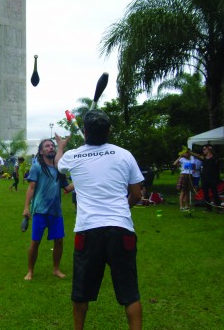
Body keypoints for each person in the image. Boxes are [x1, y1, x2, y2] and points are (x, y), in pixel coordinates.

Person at [55, 109, 143, 330]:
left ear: (85, 132)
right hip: (121, 229)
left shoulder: (73, 156)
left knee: (81, 293)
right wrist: (123, 209)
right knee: (130, 292)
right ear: (109, 131)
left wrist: (61, 147)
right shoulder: (125, 154)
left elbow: (58, 164)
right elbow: (137, 195)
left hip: (88, 231)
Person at [22, 139, 72, 281]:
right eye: (47, 146)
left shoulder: (58, 169)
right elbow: (31, 188)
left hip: (56, 211)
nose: (51, 148)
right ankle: (30, 271)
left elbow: (67, 188)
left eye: (52, 146)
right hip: (40, 210)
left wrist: (81, 180)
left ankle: (56, 269)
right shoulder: (37, 167)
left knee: (59, 241)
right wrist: (26, 207)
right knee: (35, 241)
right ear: (41, 151)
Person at [192, 145, 222, 213]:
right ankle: (208, 208)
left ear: (209, 150)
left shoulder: (215, 158)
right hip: (204, 179)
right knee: (206, 194)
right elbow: (197, 156)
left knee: (215, 193)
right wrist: (190, 152)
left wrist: (212, 150)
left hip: (213, 179)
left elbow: (217, 158)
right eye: (203, 149)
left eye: (204, 149)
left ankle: (219, 208)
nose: (203, 150)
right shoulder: (204, 158)